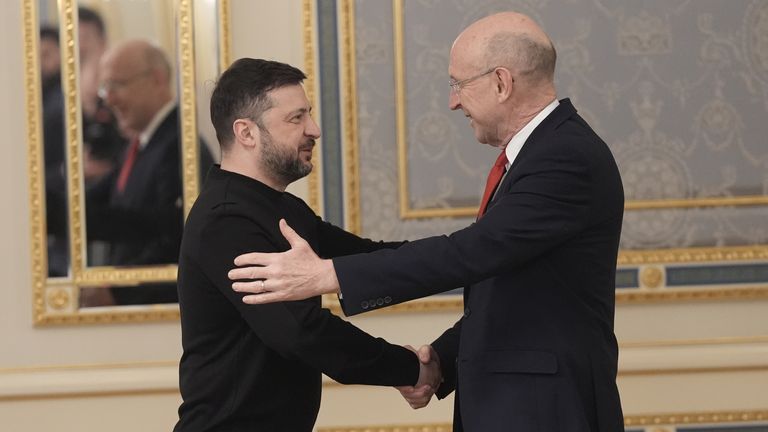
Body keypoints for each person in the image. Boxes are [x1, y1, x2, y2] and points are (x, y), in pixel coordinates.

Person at [228, 11, 626, 432]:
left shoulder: (566, 158)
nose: (453, 101)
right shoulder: (542, 153)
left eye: (459, 84)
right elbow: (506, 290)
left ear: (501, 83)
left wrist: (329, 274)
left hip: (548, 412)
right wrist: (439, 360)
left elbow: (472, 252)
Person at [173, 58, 440, 431]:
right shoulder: (226, 221)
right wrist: (410, 368)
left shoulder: (281, 207)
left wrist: (467, 256)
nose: (313, 129)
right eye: (296, 118)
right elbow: (301, 332)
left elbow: (370, 259)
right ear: (246, 133)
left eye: (308, 115)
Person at [83, 39, 212, 305]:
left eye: (116, 85)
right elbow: (95, 206)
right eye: (105, 88)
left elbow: (176, 238)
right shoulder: (143, 144)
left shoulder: (180, 146)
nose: (109, 99)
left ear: (156, 79)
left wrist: (119, 292)